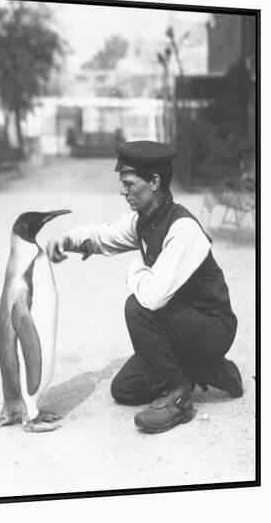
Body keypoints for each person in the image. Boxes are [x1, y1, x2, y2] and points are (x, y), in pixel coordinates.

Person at [46, 140, 243, 434]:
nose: (122, 191)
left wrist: (133, 269)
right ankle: (206, 368)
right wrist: (70, 239)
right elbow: (106, 235)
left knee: (137, 306)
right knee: (124, 389)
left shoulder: (183, 228)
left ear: (154, 182)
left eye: (128, 183)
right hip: (183, 326)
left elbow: (152, 297)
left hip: (212, 327)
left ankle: (178, 397)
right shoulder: (145, 220)